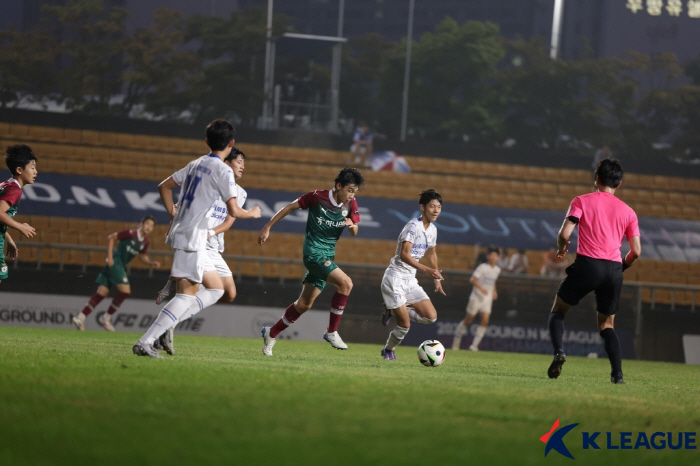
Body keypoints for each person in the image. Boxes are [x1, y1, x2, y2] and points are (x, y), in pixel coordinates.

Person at [132, 119, 261, 358]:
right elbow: (234, 211)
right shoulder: (222, 170)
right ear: (231, 144)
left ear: (206, 141)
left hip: (184, 233)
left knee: (216, 289)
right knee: (186, 296)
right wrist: (252, 212)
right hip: (195, 237)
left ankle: (160, 332)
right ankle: (147, 340)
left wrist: (174, 213)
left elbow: (164, 186)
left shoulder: (195, 163)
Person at [547, 158, 641, 384]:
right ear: (618, 184)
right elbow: (636, 251)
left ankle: (559, 351)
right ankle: (617, 375)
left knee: (558, 310)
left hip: (588, 264)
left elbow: (564, 234)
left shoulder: (581, 201)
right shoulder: (629, 212)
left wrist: (562, 249)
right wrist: (621, 267)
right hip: (614, 269)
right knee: (607, 325)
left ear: (596, 178)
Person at [258, 168, 364, 356]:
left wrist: (352, 226)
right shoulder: (317, 197)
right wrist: (267, 227)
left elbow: (355, 230)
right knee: (346, 283)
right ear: (338, 186)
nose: (351, 195)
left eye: (355, 191)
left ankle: (271, 333)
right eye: (349, 190)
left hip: (328, 256)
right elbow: (290, 207)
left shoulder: (351, 203)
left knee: (304, 304)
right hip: (313, 254)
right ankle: (331, 332)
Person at [153, 148, 249, 355]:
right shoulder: (211, 181)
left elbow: (229, 221)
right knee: (202, 291)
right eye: (239, 161)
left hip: (213, 245)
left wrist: (211, 232)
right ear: (227, 162)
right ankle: (164, 326)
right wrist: (175, 221)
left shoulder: (240, 193)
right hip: (197, 242)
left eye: (244, 163)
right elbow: (185, 206)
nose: (243, 166)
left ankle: (169, 321)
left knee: (229, 293)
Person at [379, 189, 445, 360]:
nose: (436, 210)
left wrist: (436, 277)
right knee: (405, 325)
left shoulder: (433, 229)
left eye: (439, 207)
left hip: (410, 280)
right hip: (394, 278)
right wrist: (426, 270)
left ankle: (393, 309)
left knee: (431, 317)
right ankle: (388, 350)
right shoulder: (412, 227)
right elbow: (404, 254)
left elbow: (431, 253)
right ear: (422, 207)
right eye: (432, 206)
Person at [72, 216, 161, 331]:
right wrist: (110, 258)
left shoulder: (145, 241)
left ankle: (80, 318)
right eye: (147, 224)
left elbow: (142, 255)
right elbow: (111, 238)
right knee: (125, 291)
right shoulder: (130, 233)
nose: (149, 227)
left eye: (152, 226)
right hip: (115, 264)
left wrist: (150, 262)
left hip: (116, 266)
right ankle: (106, 318)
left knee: (101, 293)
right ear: (141, 223)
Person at [0, 144, 37, 284]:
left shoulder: (5, 184)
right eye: (32, 168)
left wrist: (8, 238)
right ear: (19, 170)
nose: (36, 172)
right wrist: (20, 226)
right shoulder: (15, 190)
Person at [452, 247, 501, 351]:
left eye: (495, 256)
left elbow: (493, 282)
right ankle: (456, 341)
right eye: (491, 255)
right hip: (476, 297)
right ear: (488, 257)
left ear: (498, 258)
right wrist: (481, 289)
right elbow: (473, 280)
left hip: (487, 299)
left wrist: (494, 292)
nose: (493, 257)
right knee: (468, 320)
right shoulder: (482, 267)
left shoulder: (497, 270)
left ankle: (474, 345)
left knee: (485, 321)